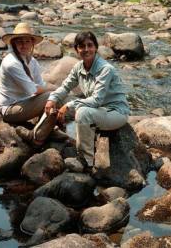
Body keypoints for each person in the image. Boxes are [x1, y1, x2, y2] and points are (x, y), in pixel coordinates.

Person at [45, 31, 130, 169]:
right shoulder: (79, 67)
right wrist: (52, 99)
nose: (86, 49)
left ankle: (86, 161)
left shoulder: (105, 69)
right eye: (81, 46)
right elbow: (65, 87)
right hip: (99, 110)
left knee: (82, 112)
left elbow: (96, 100)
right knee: (64, 105)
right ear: (76, 49)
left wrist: (69, 105)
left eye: (89, 45)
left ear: (96, 47)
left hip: (116, 112)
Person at [0, 22, 57, 145]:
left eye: (27, 41)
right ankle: (36, 137)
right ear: (14, 44)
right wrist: (55, 91)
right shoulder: (11, 63)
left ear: (32, 43)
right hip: (10, 109)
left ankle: (45, 129)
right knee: (52, 96)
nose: (24, 45)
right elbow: (33, 90)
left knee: (53, 97)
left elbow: (39, 83)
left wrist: (51, 91)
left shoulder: (32, 61)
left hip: (25, 103)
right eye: (20, 42)